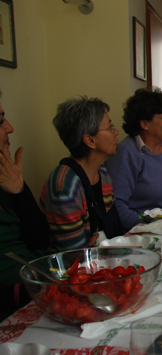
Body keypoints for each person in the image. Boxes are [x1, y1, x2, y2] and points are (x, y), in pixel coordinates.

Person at [41, 96, 121, 251]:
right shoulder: (65, 185)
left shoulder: (101, 172)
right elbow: (73, 253)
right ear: (90, 140)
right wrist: (102, 240)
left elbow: (113, 228)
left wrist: (102, 237)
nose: (116, 132)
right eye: (110, 127)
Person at [105, 89, 162, 231]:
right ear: (145, 124)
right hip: (144, 233)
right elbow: (116, 207)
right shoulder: (126, 153)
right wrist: (153, 224)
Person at [0, 90, 51, 319]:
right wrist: (26, 292)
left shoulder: (7, 174)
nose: (10, 128)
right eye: (0, 121)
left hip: (37, 284)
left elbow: (40, 241)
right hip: (16, 301)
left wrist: (20, 192)